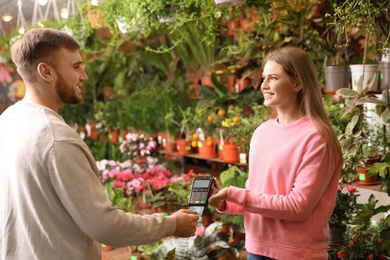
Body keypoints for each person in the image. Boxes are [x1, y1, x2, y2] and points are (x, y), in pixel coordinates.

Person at [0, 28, 198, 259]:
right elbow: (104, 226)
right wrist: (171, 225)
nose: (84, 76)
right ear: (46, 72)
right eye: (76, 66)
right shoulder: (55, 137)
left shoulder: (8, 121)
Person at [209, 46, 342, 260]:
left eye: (273, 78)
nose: (264, 86)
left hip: (298, 254)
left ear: (297, 83)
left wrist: (236, 194)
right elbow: (258, 193)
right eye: (264, 78)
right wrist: (224, 201)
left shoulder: (317, 137)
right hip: (257, 249)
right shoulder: (262, 132)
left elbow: (298, 207)